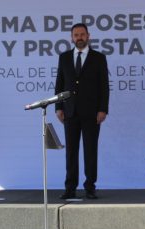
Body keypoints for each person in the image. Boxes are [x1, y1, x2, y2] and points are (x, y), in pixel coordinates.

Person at [55, 23, 109, 200]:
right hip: (70, 112)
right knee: (71, 151)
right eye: (76, 35)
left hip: (92, 113)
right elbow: (59, 84)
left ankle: (90, 187)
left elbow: (104, 87)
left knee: (90, 150)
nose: (79, 37)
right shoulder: (64, 58)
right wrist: (59, 107)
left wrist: (103, 109)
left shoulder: (98, 58)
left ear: (88, 36)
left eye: (82, 34)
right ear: (72, 37)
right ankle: (70, 187)